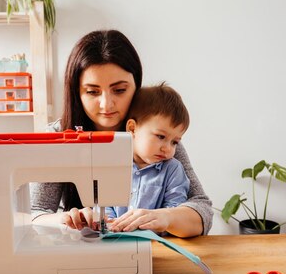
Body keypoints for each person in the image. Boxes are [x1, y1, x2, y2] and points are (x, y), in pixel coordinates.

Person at [31, 30, 212, 237]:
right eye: (92, 92)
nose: (106, 104)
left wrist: (167, 217)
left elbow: (202, 210)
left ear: (136, 85)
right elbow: (35, 212)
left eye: (119, 90)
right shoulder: (59, 136)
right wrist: (67, 219)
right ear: (76, 92)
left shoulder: (156, 136)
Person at [105, 83, 190, 231]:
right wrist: (111, 223)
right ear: (132, 128)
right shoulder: (112, 165)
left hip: (155, 243)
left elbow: (174, 208)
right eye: (160, 136)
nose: (167, 148)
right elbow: (104, 205)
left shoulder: (172, 169)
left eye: (174, 142)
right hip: (115, 238)